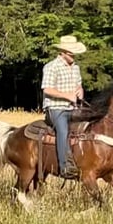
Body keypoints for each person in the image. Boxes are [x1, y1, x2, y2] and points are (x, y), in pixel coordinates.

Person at [41, 35, 86, 178]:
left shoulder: (76, 68)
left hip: (73, 108)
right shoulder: (51, 67)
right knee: (63, 130)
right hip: (55, 108)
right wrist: (67, 95)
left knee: (87, 128)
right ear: (63, 52)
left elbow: (78, 84)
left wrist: (80, 90)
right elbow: (47, 89)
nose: (73, 56)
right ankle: (65, 166)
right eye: (71, 53)